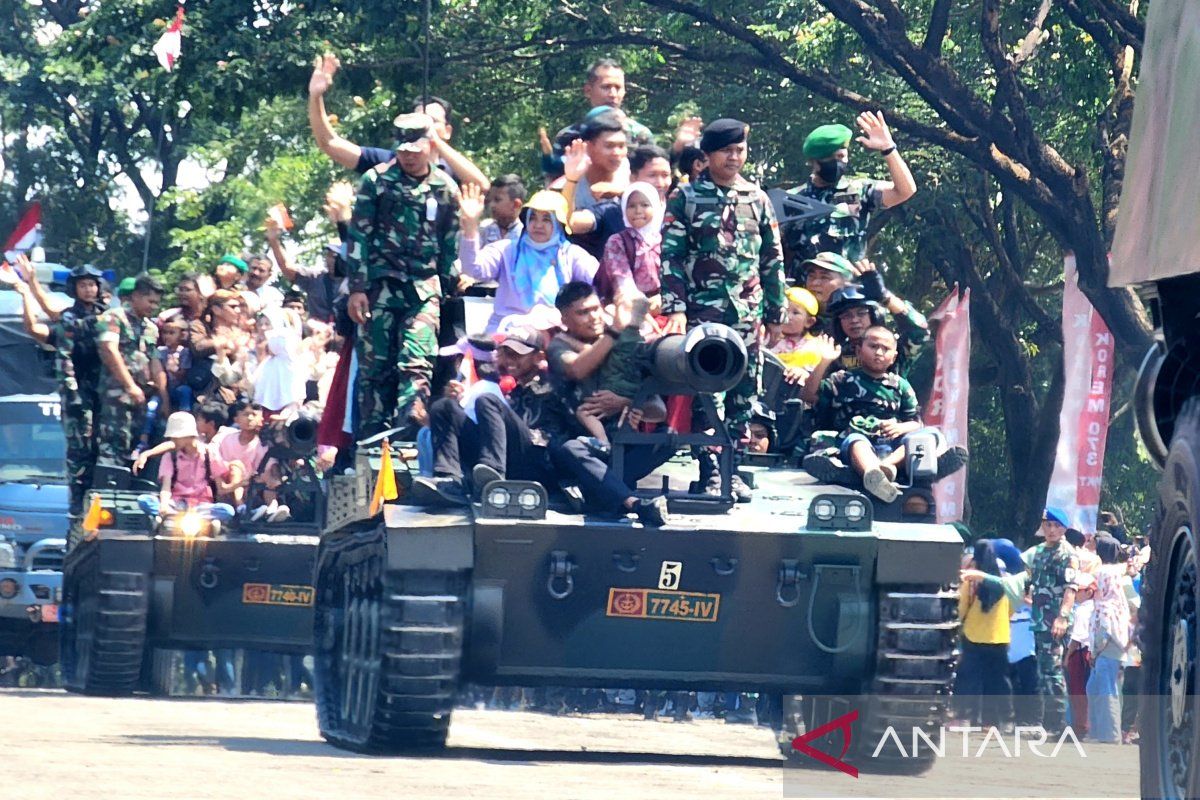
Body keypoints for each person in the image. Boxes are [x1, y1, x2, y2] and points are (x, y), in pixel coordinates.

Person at [659, 118, 787, 499]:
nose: (734, 158)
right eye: (726, 151)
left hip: (747, 314)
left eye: (740, 151)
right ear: (708, 155)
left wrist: (775, 313)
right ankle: (710, 469)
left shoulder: (757, 199)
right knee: (706, 393)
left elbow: (772, 259)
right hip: (703, 314)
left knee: (744, 394)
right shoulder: (686, 198)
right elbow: (671, 257)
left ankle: (732, 469)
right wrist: (676, 307)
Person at [345, 113, 461, 438]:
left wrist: (450, 285)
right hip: (379, 288)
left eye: (415, 148)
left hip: (424, 290)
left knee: (417, 361)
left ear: (429, 145)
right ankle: (370, 441)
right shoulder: (375, 181)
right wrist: (357, 288)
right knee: (375, 369)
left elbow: (449, 244)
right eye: (403, 148)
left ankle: (410, 431)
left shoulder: (445, 188)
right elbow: (359, 237)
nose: (409, 155)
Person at [414, 327, 574, 503]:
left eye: (517, 354)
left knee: (487, 400)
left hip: (539, 461)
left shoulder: (553, 387)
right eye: (506, 353)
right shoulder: (514, 392)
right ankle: (449, 479)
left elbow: (563, 432)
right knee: (444, 407)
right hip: (511, 457)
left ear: (538, 357)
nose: (509, 360)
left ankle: (493, 472)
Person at [2, 260, 105, 514]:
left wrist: (30, 284)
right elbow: (35, 327)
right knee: (78, 449)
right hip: (76, 394)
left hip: (102, 393)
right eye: (83, 285)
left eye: (92, 284)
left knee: (102, 450)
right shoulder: (69, 320)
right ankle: (79, 502)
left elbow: (50, 311)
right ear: (75, 288)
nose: (89, 289)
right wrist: (26, 290)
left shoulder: (106, 316)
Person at [306, 53, 489, 189]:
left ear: (448, 131)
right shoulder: (389, 162)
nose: (425, 126)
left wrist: (435, 141)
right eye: (419, 121)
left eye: (433, 121)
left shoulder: (451, 170)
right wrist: (316, 96)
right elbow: (329, 143)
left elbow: (482, 186)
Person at [782, 113, 917, 278]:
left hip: (849, 293)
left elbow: (905, 190)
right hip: (804, 295)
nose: (838, 163)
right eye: (830, 158)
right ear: (814, 161)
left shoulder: (859, 190)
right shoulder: (791, 200)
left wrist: (888, 148)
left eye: (841, 156)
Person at [802, 327, 921, 502]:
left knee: (926, 438)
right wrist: (824, 361)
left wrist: (899, 427)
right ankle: (873, 476)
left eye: (885, 349)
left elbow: (916, 422)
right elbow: (808, 396)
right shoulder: (842, 380)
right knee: (856, 442)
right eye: (873, 346)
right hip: (855, 441)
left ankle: (886, 468)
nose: (879, 352)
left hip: (891, 446)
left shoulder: (900, 386)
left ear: (894, 357)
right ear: (859, 351)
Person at [545, 283, 663, 458]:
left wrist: (625, 402)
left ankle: (615, 482)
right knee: (573, 450)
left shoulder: (624, 346)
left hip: (623, 437)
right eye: (583, 312)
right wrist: (614, 331)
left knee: (668, 437)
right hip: (578, 440)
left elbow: (658, 409)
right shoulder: (559, 345)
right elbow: (577, 369)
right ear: (564, 320)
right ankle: (616, 483)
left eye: (595, 309)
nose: (593, 317)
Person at [458, 185, 597, 332]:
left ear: (559, 225)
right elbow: (472, 269)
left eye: (546, 219)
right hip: (506, 333)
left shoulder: (572, 255)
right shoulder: (506, 250)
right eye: (532, 218)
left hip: (555, 333)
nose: (538, 225)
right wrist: (470, 227)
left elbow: (600, 283)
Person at [95, 274, 166, 470]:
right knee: (113, 445)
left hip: (141, 397)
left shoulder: (150, 327)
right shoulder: (114, 318)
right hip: (116, 394)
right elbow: (109, 351)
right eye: (150, 301)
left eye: (157, 303)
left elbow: (154, 360)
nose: (153, 306)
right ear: (135, 296)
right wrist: (130, 386)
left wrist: (161, 393)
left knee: (134, 445)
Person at [1025, 507, 1081, 735]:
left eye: (1056, 526)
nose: (1051, 529)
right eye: (1048, 525)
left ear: (1064, 529)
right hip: (1039, 620)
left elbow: (1071, 588)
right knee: (1041, 669)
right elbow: (1028, 582)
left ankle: (1057, 724)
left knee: (1053, 671)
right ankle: (1041, 722)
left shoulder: (1067, 554)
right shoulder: (1038, 552)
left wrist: (1062, 617)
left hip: (1055, 620)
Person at [956, 539, 1014, 728]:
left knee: (971, 679)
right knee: (997, 680)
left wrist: (959, 625)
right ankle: (996, 721)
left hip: (973, 635)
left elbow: (962, 607)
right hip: (1000, 636)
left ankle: (968, 718)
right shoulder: (1005, 582)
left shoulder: (972, 582)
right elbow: (1012, 609)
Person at [136, 411, 235, 522]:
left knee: (227, 510)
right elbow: (166, 487)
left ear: (188, 436)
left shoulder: (209, 453)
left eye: (176, 437)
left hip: (201, 506)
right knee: (144, 500)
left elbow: (220, 486)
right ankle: (171, 515)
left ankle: (174, 518)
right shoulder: (170, 456)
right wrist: (164, 505)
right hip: (176, 504)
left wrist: (239, 482)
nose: (173, 441)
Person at [1087, 534, 1134, 743]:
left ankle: (1110, 735)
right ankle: (1100, 732)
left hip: (1106, 649)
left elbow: (1102, 631)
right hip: (1115, 649)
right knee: (1099, 689)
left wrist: (1094, 651)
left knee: (1106, 691)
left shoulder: (1105, 606)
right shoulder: (1118, 604)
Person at [594, 182, 664, 309]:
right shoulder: (617, 241)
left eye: (645, 205)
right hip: (627, 306)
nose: (638, 211)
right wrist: (642, 307)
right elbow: (622, 282)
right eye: (631, 206)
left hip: (660, 303)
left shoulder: (663, 239)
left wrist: (663, 297)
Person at [479, 175, 527, 247]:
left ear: (516, 205)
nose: (492, 205)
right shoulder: (484, 229)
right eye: (490, 200)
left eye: (497, 200)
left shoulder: (526, 233)